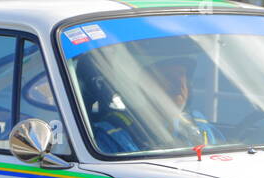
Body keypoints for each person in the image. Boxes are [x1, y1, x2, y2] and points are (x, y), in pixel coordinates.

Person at [77, 52, 222, 155]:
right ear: (143, 85)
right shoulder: (111, 135)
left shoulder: (200, 126)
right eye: (167, 77)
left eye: (182, 75)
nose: (179, 84)